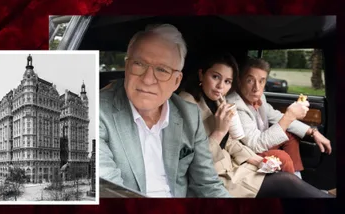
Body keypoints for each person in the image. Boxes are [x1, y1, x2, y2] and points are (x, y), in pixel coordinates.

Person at [99, 24, 231, 198]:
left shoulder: (190, 115)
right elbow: (110, 193)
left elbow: (207, 184)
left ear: (177, 81)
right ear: (127, 67)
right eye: (139, 64)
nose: (147, 80)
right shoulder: (95, 111)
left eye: (162, 70)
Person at [179, 53, 333, 198]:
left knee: (285, 164)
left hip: (233, 165)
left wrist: (253, 159)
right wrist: (219, 131)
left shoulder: (219, 100)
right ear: (201, 75)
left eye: (227, 81)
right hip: (215, 175)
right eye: (215, 77)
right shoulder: (188, 105)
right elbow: (194, 161)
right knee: (285, 179)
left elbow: (230, 142)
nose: (220, 86)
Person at [226, 57, 332, 178]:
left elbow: (276, 116)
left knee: (289, 134)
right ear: (239, 81)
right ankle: (295, 188)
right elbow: (254, 145)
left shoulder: (261, 98)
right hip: (247, 153)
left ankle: (297, 178)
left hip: (259, 144)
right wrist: (290, 115)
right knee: (281, 156)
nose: (256, 88)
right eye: (250, 80)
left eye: (261, 81)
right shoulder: (235, 105)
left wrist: (312, 132)